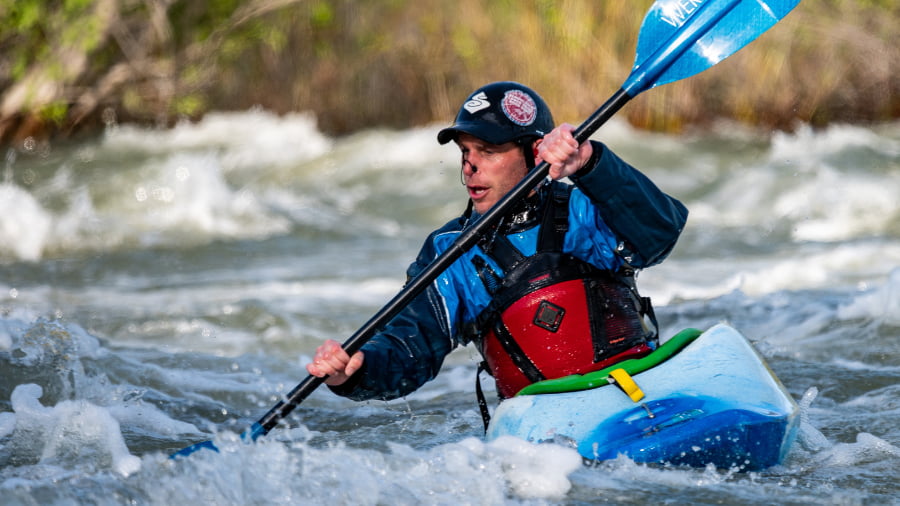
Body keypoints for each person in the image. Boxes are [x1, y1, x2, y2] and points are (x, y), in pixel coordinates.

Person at [307, 81, 687, 409]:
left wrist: (591, 161)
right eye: (465, 152)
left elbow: (660, 235)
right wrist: (356, 371)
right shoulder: (450, 252)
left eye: (487, 151)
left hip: (636, 386)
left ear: (535, 153)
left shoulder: (586, 206)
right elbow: (412, 347)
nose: (470, 166)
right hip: (543, 420)